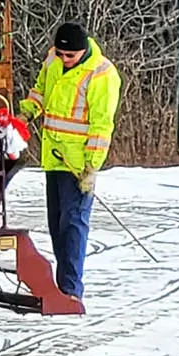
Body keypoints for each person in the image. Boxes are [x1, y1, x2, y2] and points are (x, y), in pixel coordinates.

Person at [25, 20, 121, 306]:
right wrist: (26, 112)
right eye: (61, 54)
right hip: (53, 158)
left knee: (73, 224)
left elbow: (102, 124)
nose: (64, 59)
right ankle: (61, 286)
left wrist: (92, 167)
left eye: (71, 56)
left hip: (78, 164)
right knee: (56, 225)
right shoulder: (53, 58)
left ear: (83, 51)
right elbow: (40, 92)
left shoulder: (102, 74)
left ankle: (70, 290)